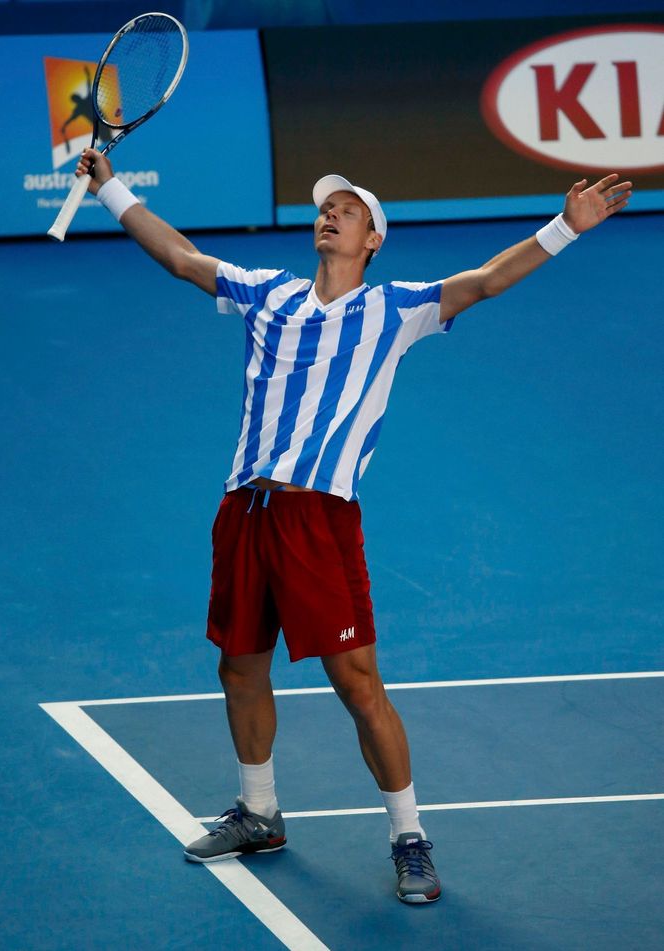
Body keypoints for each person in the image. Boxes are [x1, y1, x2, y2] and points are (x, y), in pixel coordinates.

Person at [75, 148, 631, 903]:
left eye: (348, 209)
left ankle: (409, 836)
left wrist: (565, 227)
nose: (330, 212)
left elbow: (488, 280)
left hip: (318, 518)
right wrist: (110, 186)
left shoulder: (396, 308)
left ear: (374, 239)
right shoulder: (268, 294)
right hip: (245, 508)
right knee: (239, 664)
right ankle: (260, 812)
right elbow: (180, 256)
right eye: (326, 207)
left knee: (358, 682)